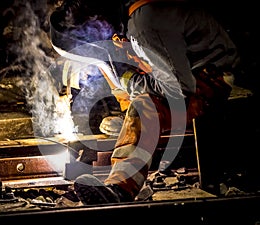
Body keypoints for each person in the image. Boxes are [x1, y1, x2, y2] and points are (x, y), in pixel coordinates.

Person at [49, 0, 240, 204]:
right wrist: (125, 112)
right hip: (187, 71)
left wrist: (130, 86)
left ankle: (121, 190)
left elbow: (179, 89)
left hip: (211, 79)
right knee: (119, 74)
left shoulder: (145, 25)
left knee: (144, 107)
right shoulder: (128, 21)